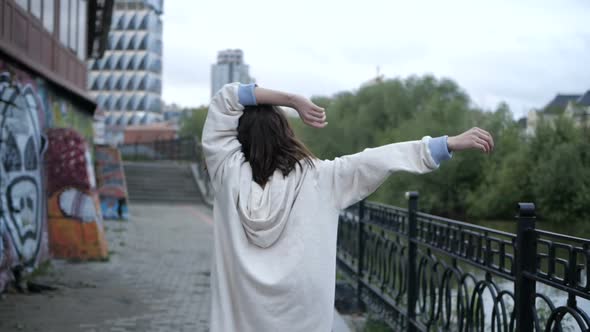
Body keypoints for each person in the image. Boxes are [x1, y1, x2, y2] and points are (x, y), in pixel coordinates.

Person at [202, 83, 494, 332]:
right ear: (285, 133)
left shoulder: (227, 175)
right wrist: (447, 144)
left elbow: (225, 98)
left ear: (238, 139)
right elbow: (379, 158)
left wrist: (291, 99)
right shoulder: (322, 178)